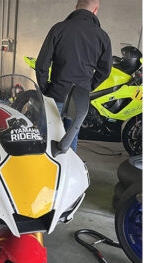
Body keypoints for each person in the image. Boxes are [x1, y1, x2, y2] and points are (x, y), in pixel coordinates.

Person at [35, 0, 112, 152]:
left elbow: (42, 64)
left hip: (55, 94)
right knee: (70, 143)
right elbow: (105, 70)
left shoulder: (59, 29)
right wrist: (88, 88)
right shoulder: (102, 36)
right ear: (95, 10)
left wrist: (46, 89)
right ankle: (68, 166)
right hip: (79, 100)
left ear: (76, 7)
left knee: (44, 141)